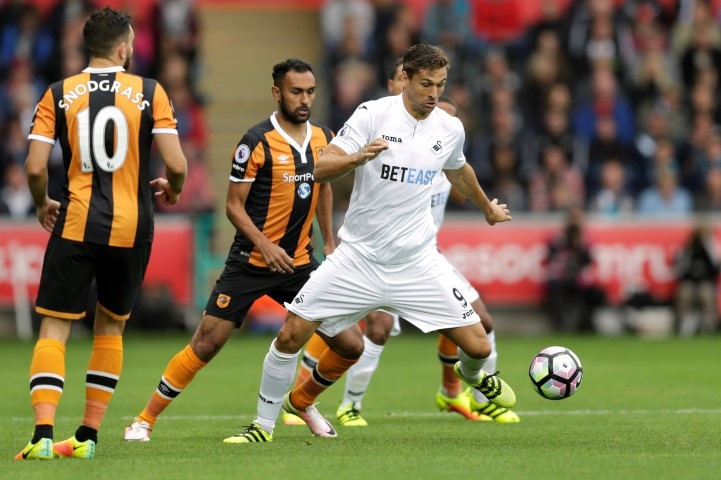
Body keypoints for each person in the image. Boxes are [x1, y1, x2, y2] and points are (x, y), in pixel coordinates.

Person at [225, 43, 516, 444]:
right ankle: (262, 425)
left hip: (416, 263)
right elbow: (320, 168)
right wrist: (357, 158)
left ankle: (471, 377)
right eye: (426, 84)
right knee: (291, 333)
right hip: (359, 259)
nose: (434, 94)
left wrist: (486, 208)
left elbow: (459, 169)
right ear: (405, 79)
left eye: (441, 85)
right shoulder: (373, 114)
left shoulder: (449, 128)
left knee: (479, 345)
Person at [122, 58, 337, 442]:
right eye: (296, 92)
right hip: (251, 261)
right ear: (277, 93)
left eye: (310, 92)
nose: (304, 99)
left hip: (299, 262)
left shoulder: (324, 136)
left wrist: (330, 242)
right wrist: (265, 245)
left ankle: (302, 401)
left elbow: (323, 189)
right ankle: (143, 420)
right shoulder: (255, 141)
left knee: (350, 342)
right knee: (207, 341)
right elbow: (233, 206)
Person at [15, 7, 188, 460]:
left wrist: (41, 203)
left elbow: (34, 167)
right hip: (132, 228)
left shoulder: (58, 93)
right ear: (124, 48)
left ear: (88, 47)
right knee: (110, 328)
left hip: (75, 222)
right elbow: (177, 164)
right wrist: (173, 188)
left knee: (55, 328)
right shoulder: (150, 92)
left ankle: (42, 436)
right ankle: (87, 437)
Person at [673, 222, 721, 336]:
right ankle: (682, 324)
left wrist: (708, 245)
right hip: (690, 282)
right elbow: (679, 269)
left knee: (706, 294)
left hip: (706, 282)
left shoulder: (712, 248)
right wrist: (690, 248)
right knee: (685, 293)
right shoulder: (688, 249)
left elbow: (716, 267)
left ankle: (711, 325)